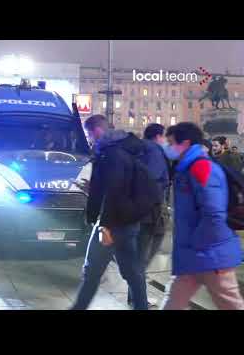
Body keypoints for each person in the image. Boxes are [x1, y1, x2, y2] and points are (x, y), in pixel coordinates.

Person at [71, 115, 150, 310]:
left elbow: (115, 191)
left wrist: (105, 225)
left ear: (97, 131)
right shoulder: (120, 150)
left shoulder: (111, 153)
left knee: (93, 270)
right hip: (125, 222)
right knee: (131, 272)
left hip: (112, 224)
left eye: (89, 133)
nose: (89, 138)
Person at [161, 122, 244, 310]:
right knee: (173, 303)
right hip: (194, 255)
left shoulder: (201, 168)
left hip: (210, 255)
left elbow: (214, 214)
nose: (168, 147)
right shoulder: (186, 168)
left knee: (230, 303)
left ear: (186, 143)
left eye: (171, 142)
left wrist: (197, 243)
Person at [126, 123, 170, 307]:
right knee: (143, 257)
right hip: (151, 211)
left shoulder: (137, 150)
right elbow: (151, 179)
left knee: (138, 256)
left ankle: (134, 296)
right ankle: (139, 300)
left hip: (136, 210)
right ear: (159, 136)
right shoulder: (154, 151)